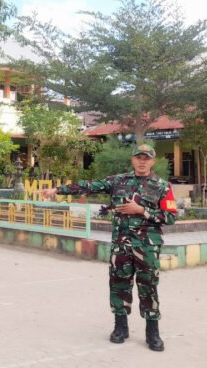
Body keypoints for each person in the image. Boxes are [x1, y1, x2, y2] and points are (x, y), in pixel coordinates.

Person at [41, 144, 176, 352]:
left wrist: (142, 210)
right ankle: (120, 328)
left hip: (147, 247)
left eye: (146, 158)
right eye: (139, 157)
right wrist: (57, 190)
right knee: (118, 284)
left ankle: (153, 333)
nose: (142, 161)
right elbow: (88, 186)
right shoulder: (118, 181)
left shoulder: (162, 186)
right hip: (121, 244)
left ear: (152, 161)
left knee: (148, 287)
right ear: (132, 160)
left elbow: (170, 217)